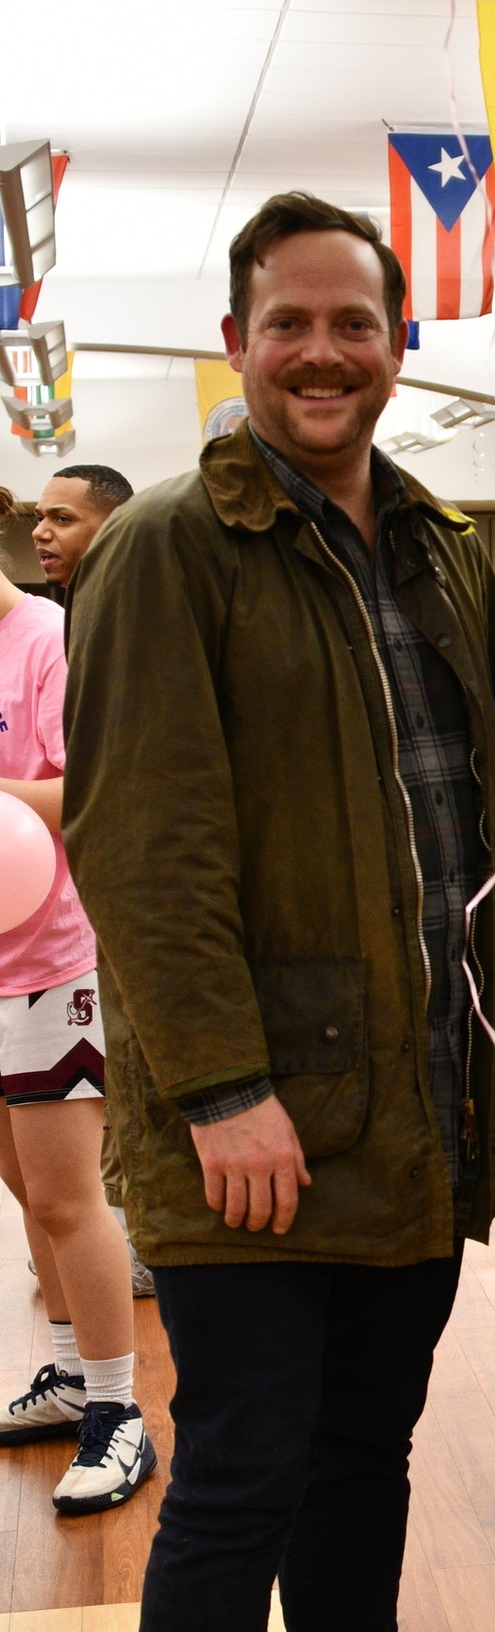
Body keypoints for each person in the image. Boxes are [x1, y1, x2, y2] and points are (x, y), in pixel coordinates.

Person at [64, 191, 495, 1632]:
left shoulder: (424, 542)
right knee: (238, 1492)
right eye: (290, 323)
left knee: (363, 1476)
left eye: (357, 321)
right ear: (238, 341)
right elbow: (142, 844)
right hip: (249, 1136)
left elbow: (465, 823)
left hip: (412, 1120)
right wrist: (225, 1088)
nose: (325, 352)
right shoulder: (171, 549)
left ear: (397, 339)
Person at [0, 477, 154, 1513]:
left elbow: (89, 784)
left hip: (52, 954)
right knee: (22, 1186)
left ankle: (118, 1410)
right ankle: (64, 1373)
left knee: (67, 1194)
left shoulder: (49, 637)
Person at [25, 465, 156, 1298]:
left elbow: (110, 779)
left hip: (112, 903)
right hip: (71, 904)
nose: (42, 533)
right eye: (37, 517)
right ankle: (108, 1240)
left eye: (62, 519)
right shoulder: (74, 618)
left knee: (127, 1090)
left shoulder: (106, 628)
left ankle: (128, 1243)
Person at [31, 464, 135, 589]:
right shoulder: (87, 604)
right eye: (39, 519)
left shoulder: (147, 602)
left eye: (62, 519)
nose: (37, 533)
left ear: (113, 527)